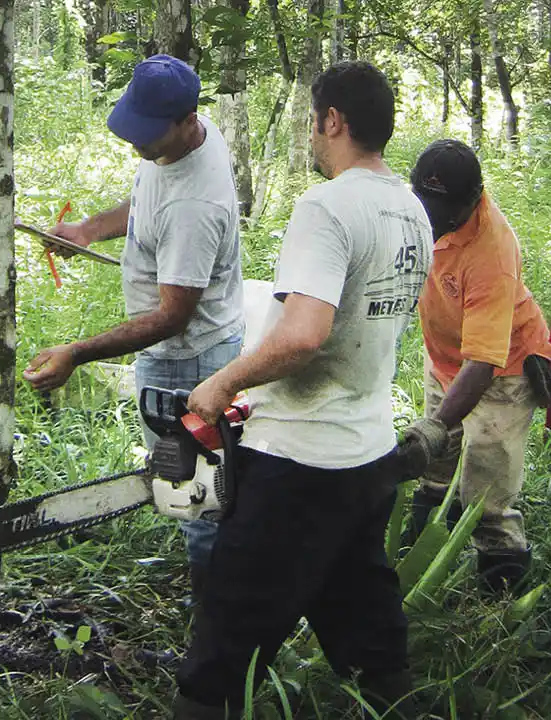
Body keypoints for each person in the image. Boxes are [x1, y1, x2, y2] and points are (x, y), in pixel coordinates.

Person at [178, 61, 432, 719]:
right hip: (366, 454)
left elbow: (303, 336)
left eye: (312, 123)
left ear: (333, 120)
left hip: (297, 463)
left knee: (223, 647)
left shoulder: (326, 206)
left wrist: (221, 383)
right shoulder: (411, 210)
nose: (310, 137)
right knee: (369, 637)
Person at [22, 55, 244, 599]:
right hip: (181, 354)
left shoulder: (196, 205)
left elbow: (172, 317)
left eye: (148, 136)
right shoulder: (185, 142)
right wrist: (88, 229)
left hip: (188, 360)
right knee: (193, 490)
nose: (136, 146)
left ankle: (215, 625)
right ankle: (220, 599)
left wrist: (76, 351)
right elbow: (149, 196)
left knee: (198, 502)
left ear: (187, 119)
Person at [397, 138, 551, 595]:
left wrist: (434, 427)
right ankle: (415, 565)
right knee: (435, 469)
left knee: (486, 494)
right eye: (423, 204)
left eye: (442, 210)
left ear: (473, 199)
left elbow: (484, 362)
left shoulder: (492, 251)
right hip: (447, 358)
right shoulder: (417, 212)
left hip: (502, 371)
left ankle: (498, 607)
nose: (430, 219)